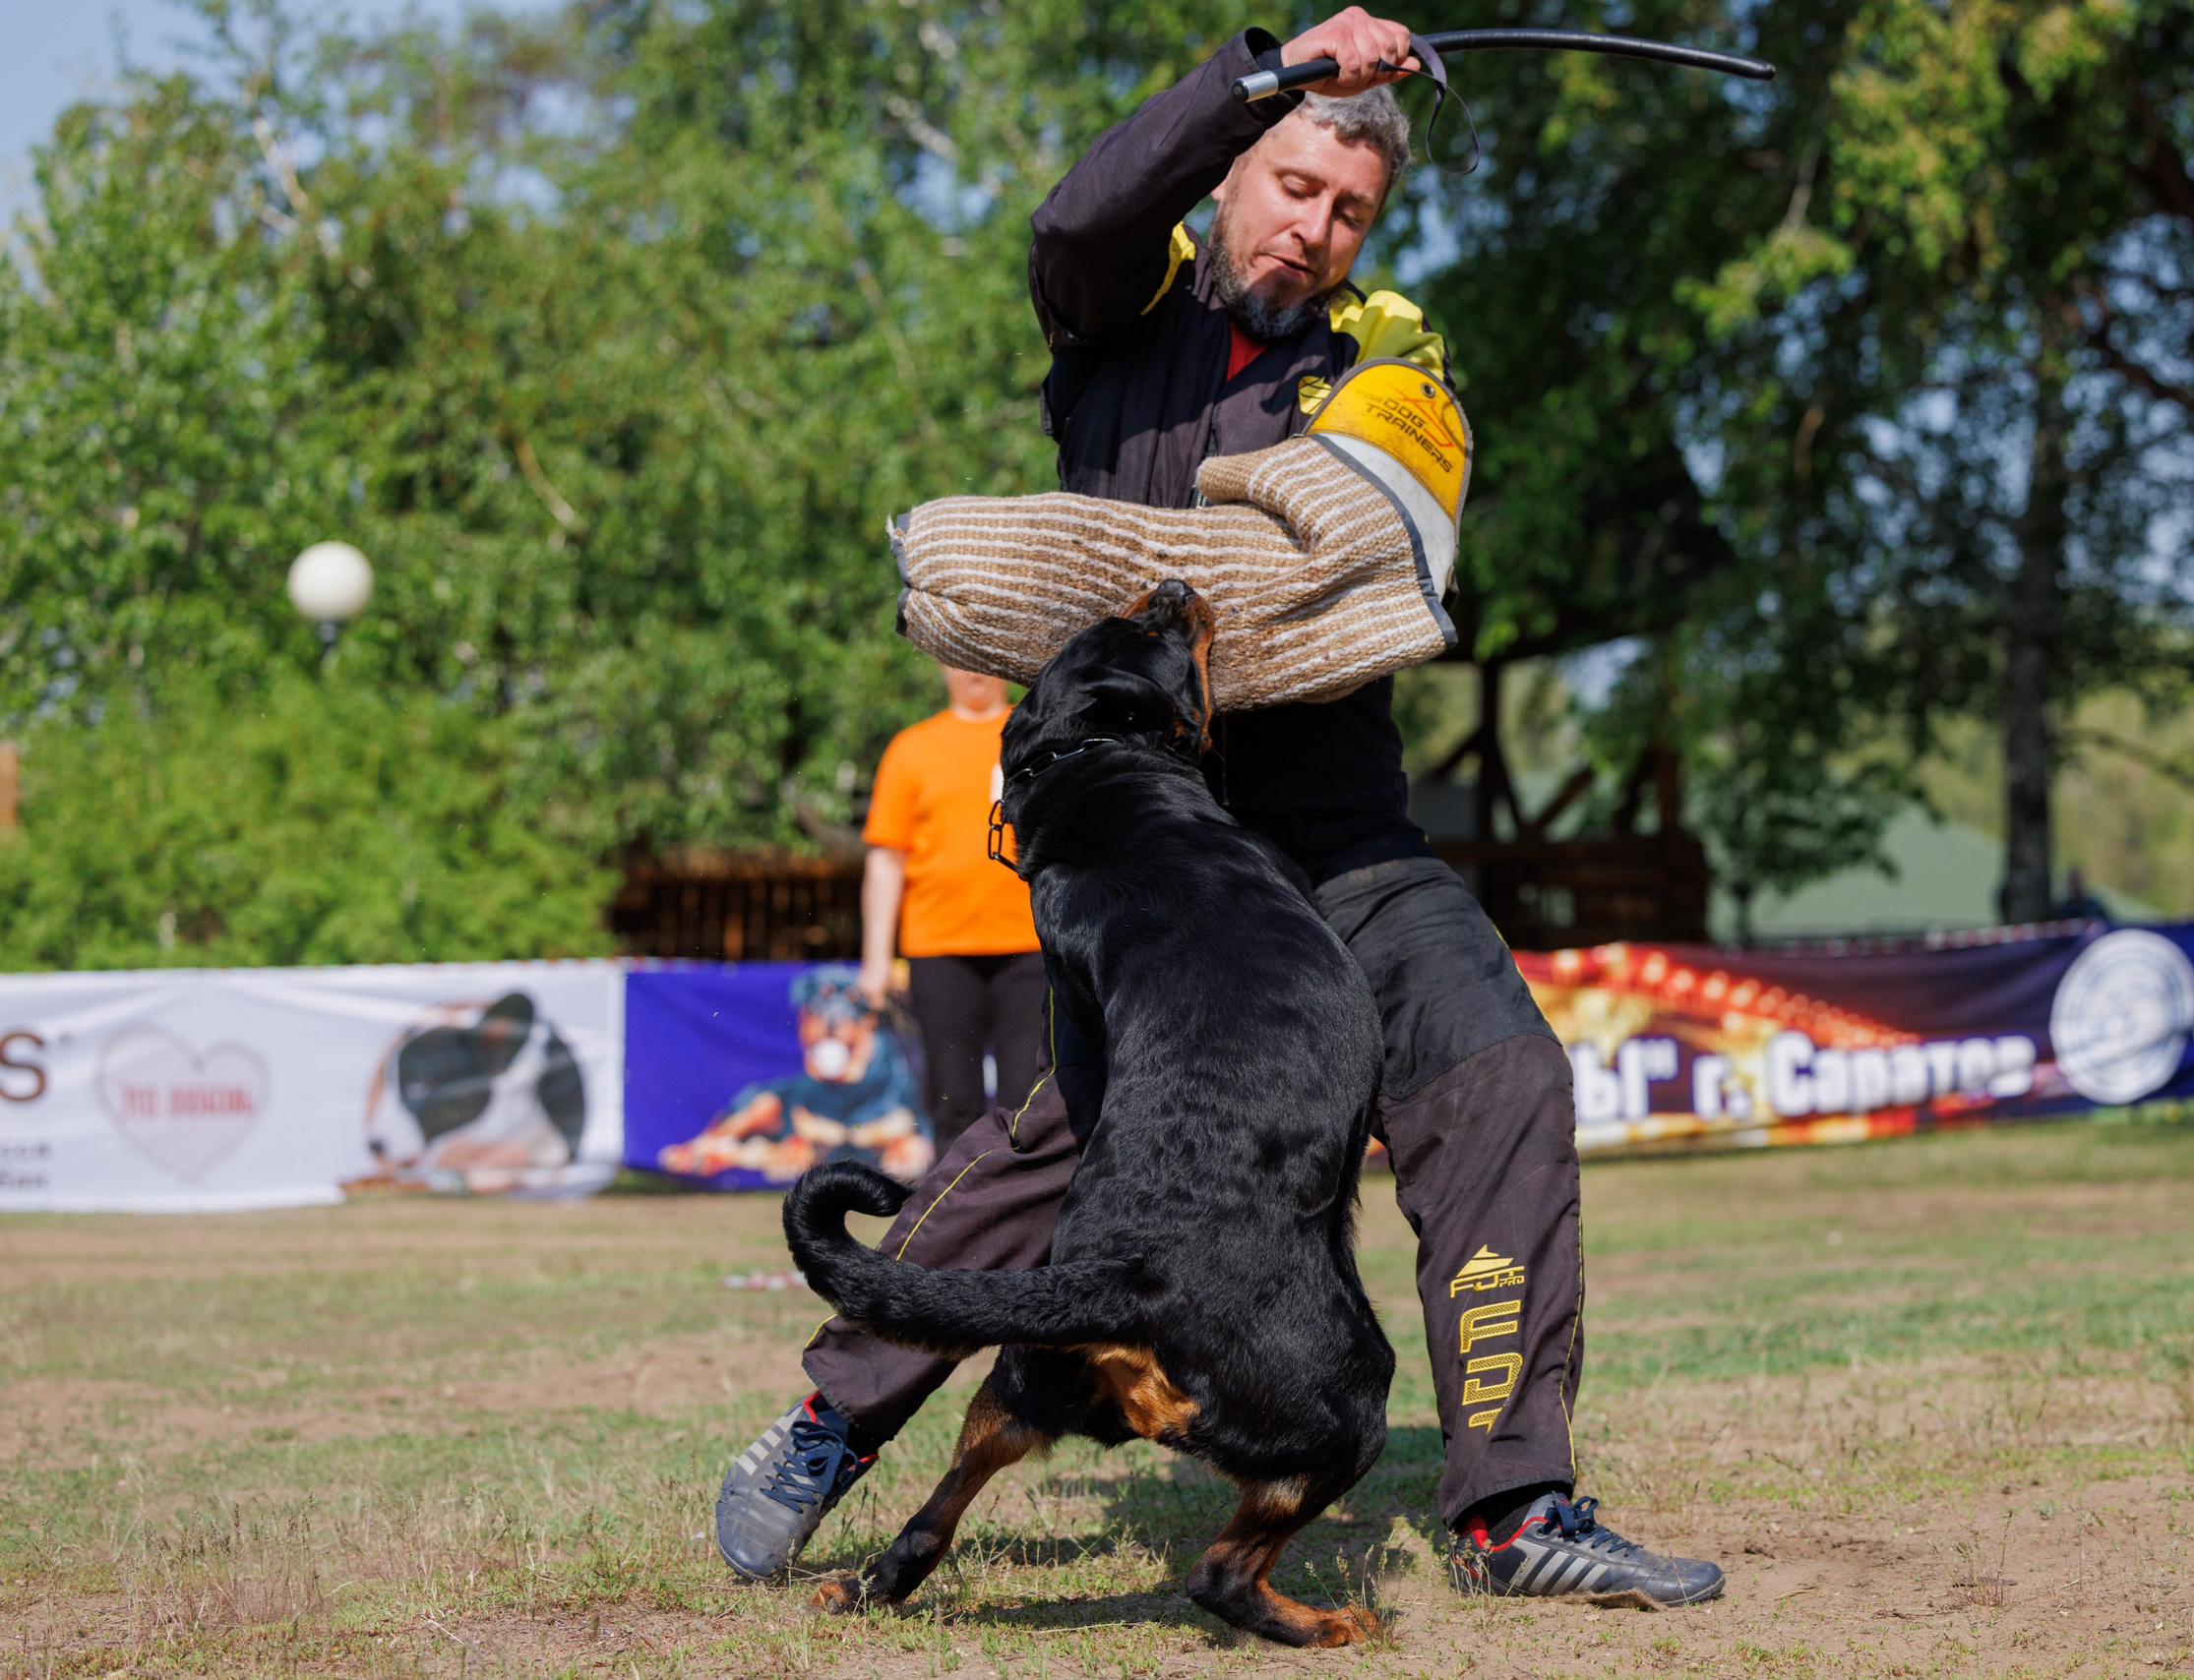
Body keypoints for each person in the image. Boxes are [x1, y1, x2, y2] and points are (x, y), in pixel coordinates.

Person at [713, 7, 1726, 1610]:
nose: (1314, 231)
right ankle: (835, 1419)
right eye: (1294, 187)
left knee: (1502, 1072)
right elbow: (1077, 217)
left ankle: (1516, 1503)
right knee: (1076, 1142)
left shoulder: (1389, 354)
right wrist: (1271, 74)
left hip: (1340, 834)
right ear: (1234, 176)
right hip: (1158, 844)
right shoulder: (1130, 311)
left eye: (1348, 211)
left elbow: (1387, 540)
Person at [856, 663, 1046, 1153]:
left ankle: (1021, 1225)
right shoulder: (911, 749)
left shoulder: (1034, 737)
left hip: (1029, 946)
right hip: (938, 950)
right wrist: (876, 959)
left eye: (982, 659)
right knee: (951, 1103)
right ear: (941, 664)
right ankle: (956, 1225)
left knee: (1027, 1105)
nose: (972, 673)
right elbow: (885, 859)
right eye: (959, 659)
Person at [657, 969, 932, 1184]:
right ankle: (705, 1147)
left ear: (868, 1024)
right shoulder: (805, 1091)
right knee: (763, 1107)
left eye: (844, 1017)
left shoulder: (893, 1079)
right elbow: (805, 1131)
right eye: (820, 1017)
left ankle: (723, 1152)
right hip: (794, 1136)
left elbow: (907, 1127)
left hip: (857, 1138)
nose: (831, 1026)